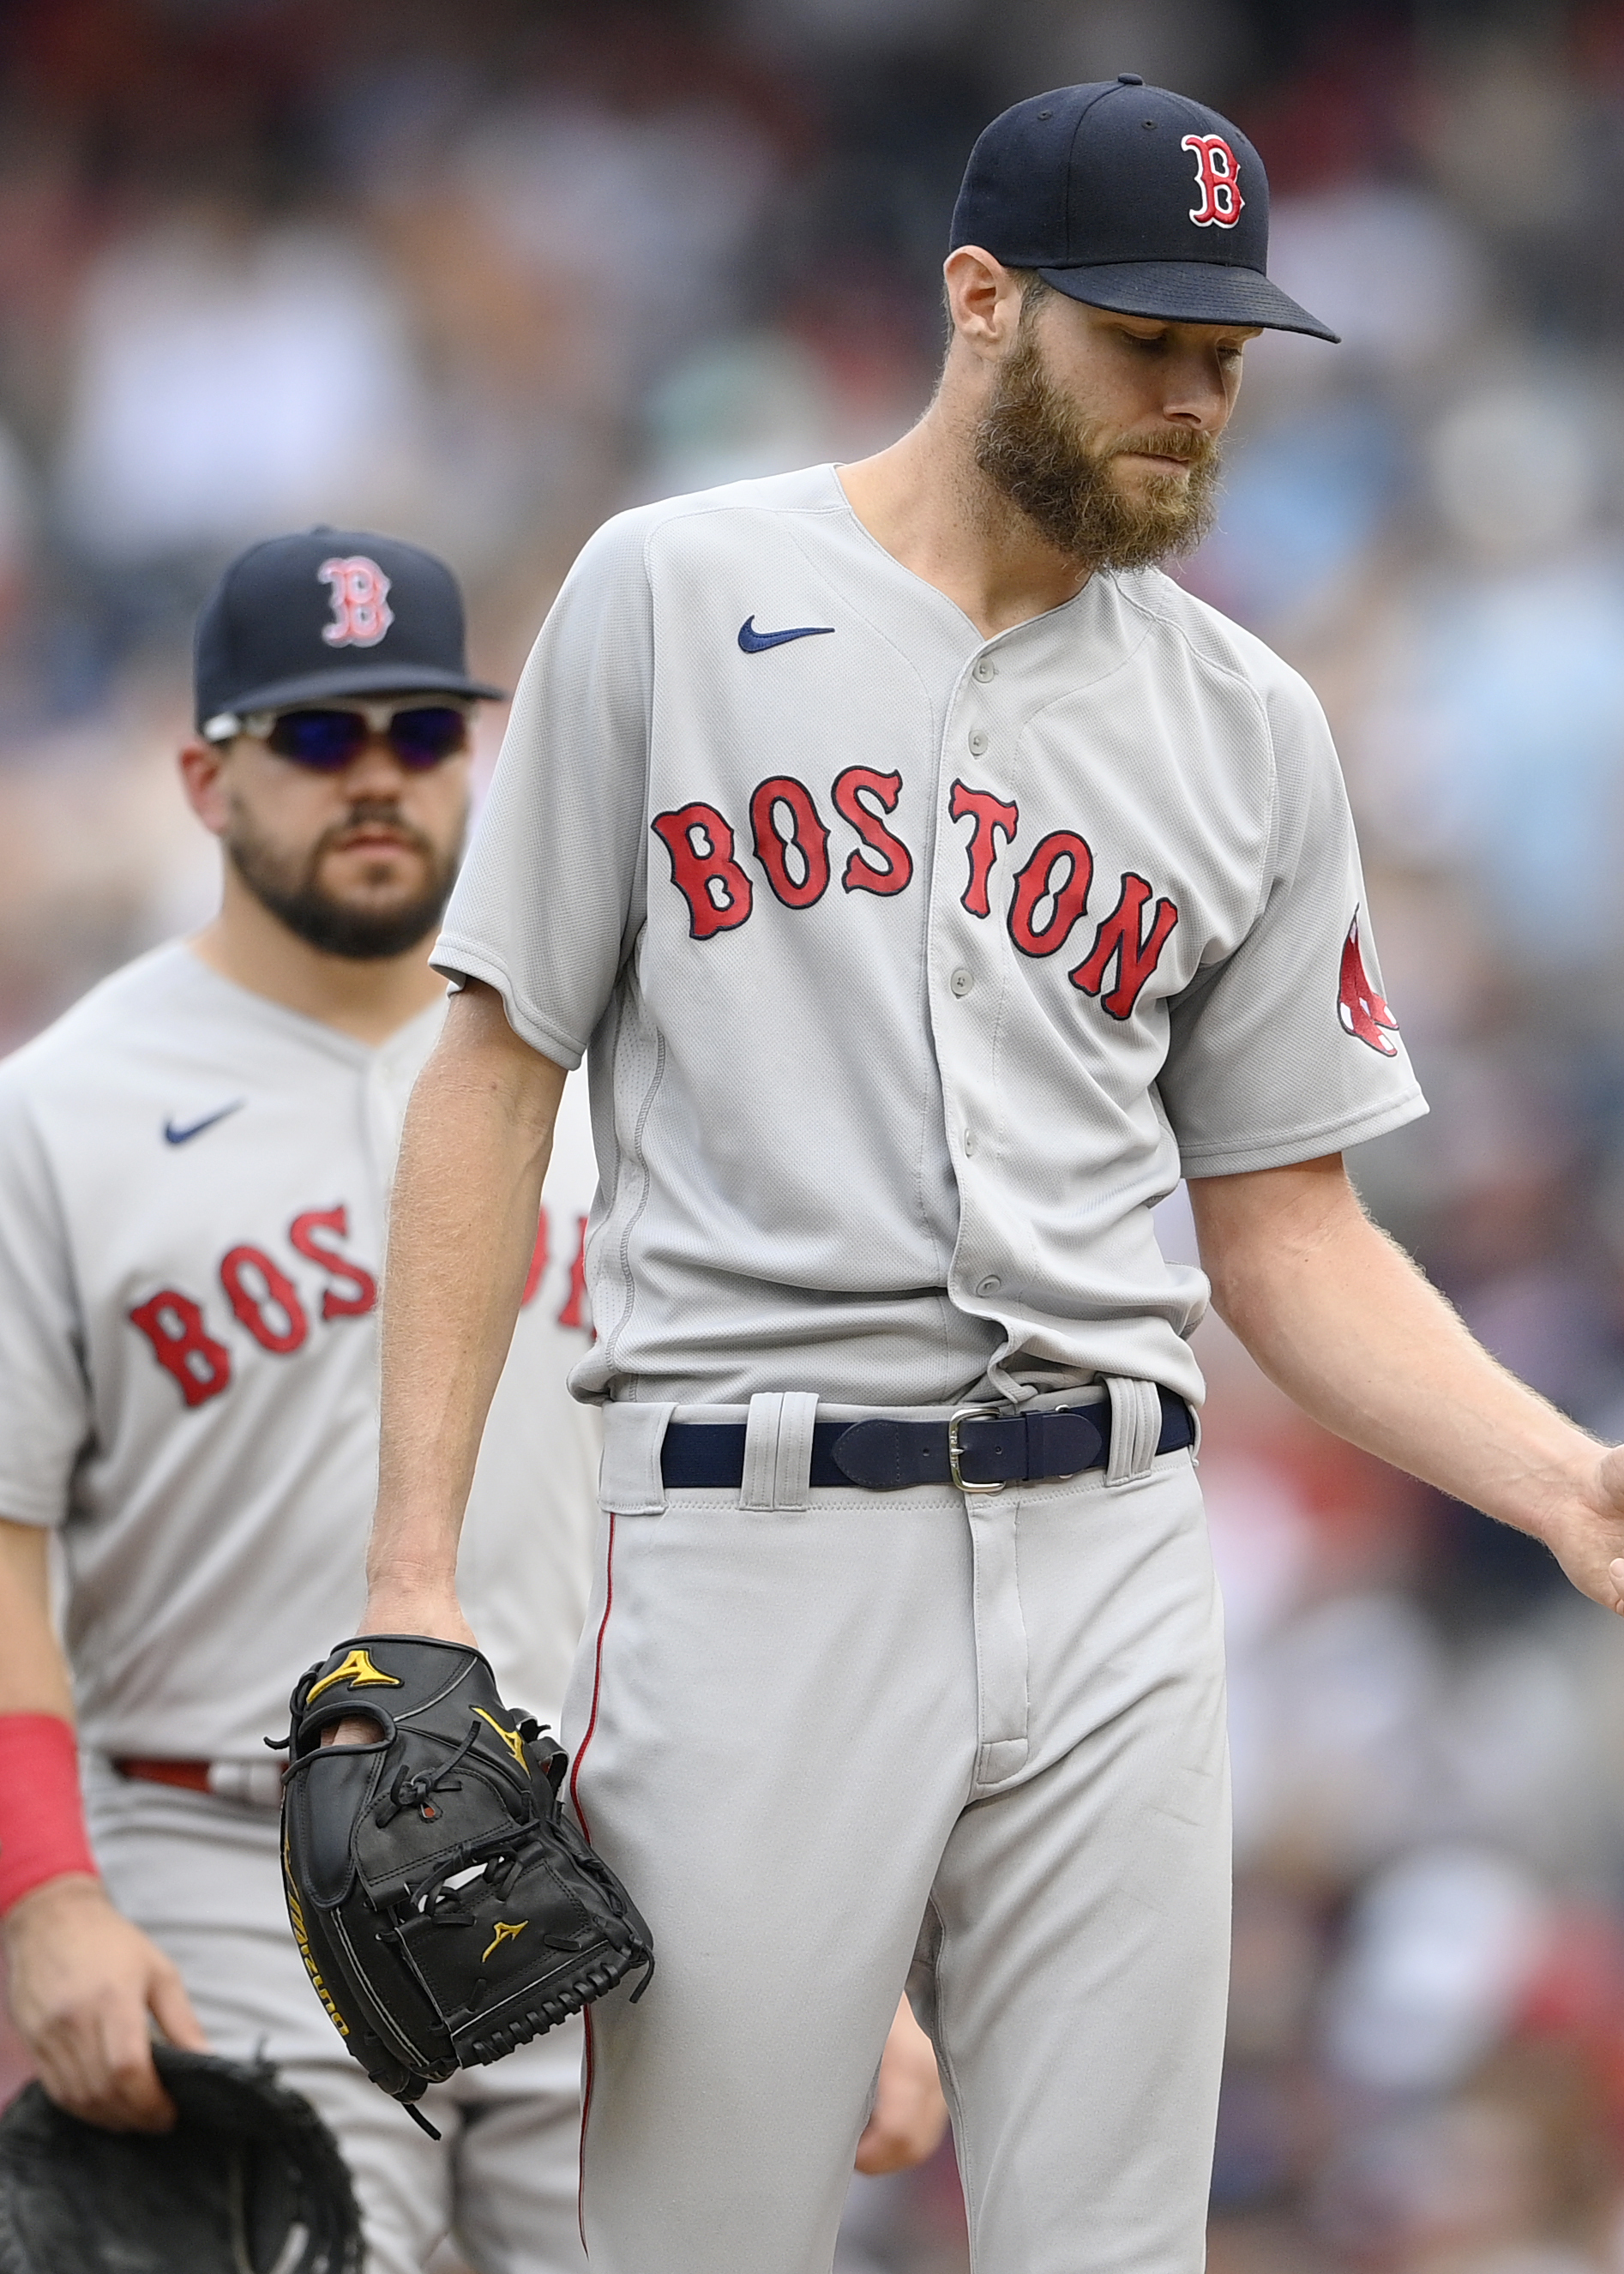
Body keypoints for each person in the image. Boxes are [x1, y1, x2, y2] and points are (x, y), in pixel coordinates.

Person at [340, 81, 1624, 2274]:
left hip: (1113, 1552)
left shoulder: (1251, 723)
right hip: (753, 1538)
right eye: (1143, 340)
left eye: (1226, 358)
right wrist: (415, 1566)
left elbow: (1286, 1231)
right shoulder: (677, 593)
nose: (1192, 398)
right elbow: (493, 1076)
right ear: (982, 303)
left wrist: (1557, 1483)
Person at [0, 528, 939, 2268]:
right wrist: (46, 1898)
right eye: (317, 737)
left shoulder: (628, 1086)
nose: (378, 778)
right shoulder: (53, 1115)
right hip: (224, 1860)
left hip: (605, 1865)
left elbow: (750, 1524)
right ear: (207, 777)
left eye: (422, 735)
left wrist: (839, 1946)